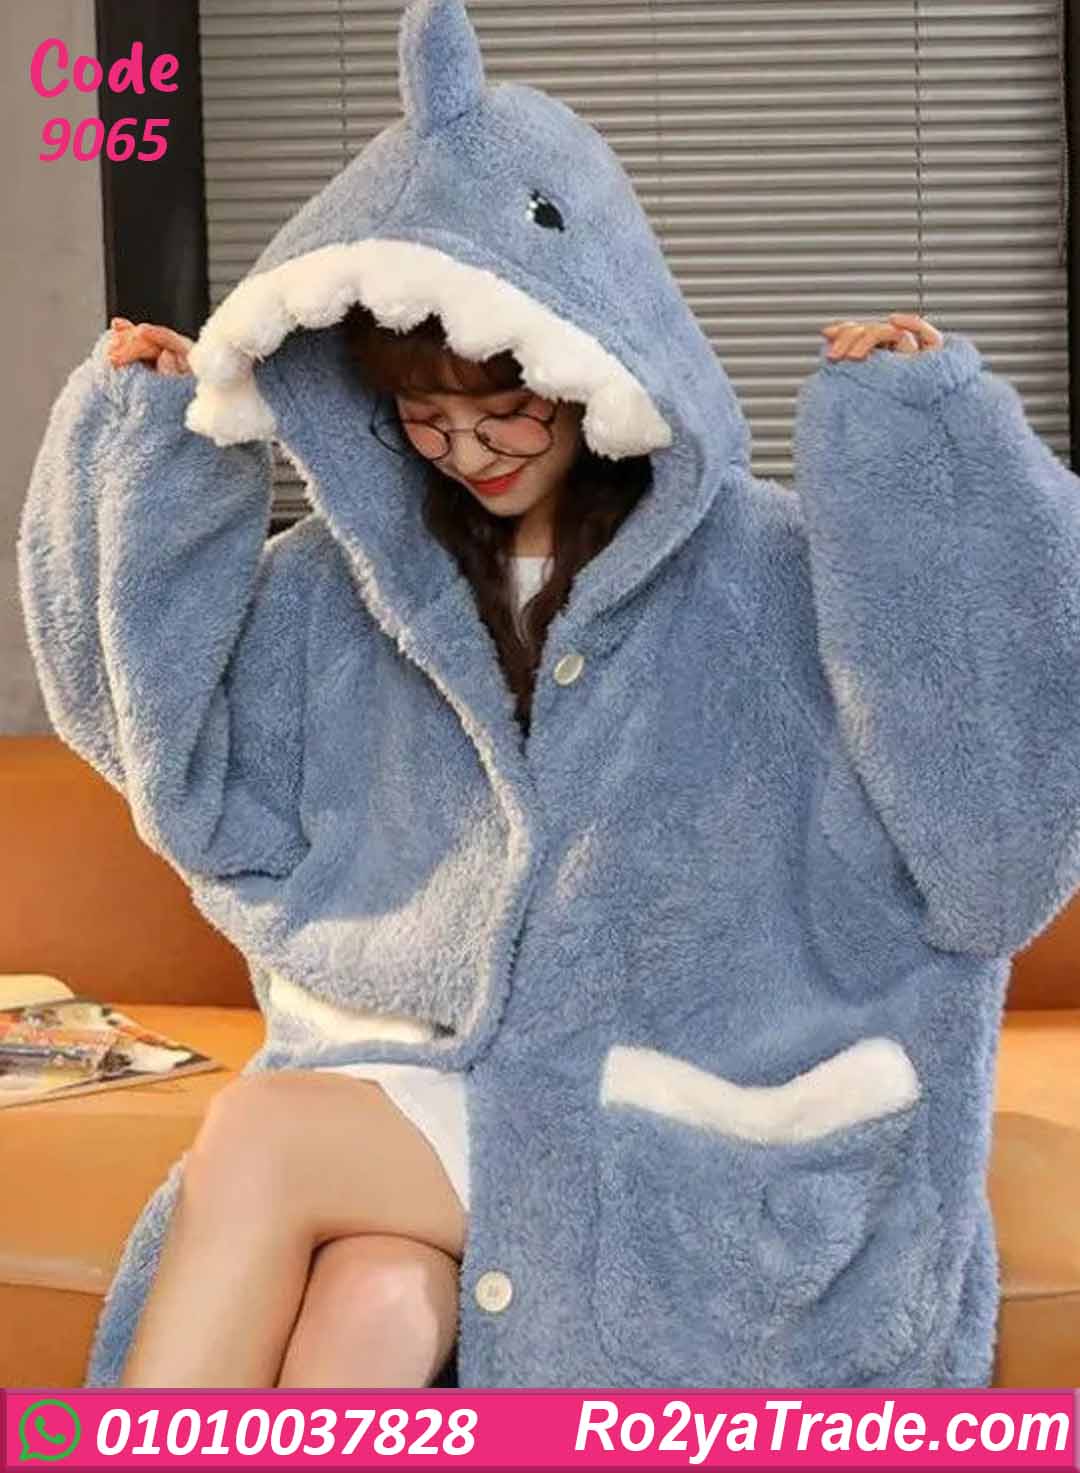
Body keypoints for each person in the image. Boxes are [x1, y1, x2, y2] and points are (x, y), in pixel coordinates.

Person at [18, 0, 1080, 1392]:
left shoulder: (768, 574)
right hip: (444, 1074)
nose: (471, 451)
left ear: (588, 357)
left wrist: (933, 447)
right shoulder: (340, 587)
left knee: (266, 1141)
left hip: (675, 1106)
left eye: (505, 407)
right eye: (425, 417)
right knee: (377, 1301)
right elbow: (175, 759)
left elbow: (993, 809)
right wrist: (142, 462)